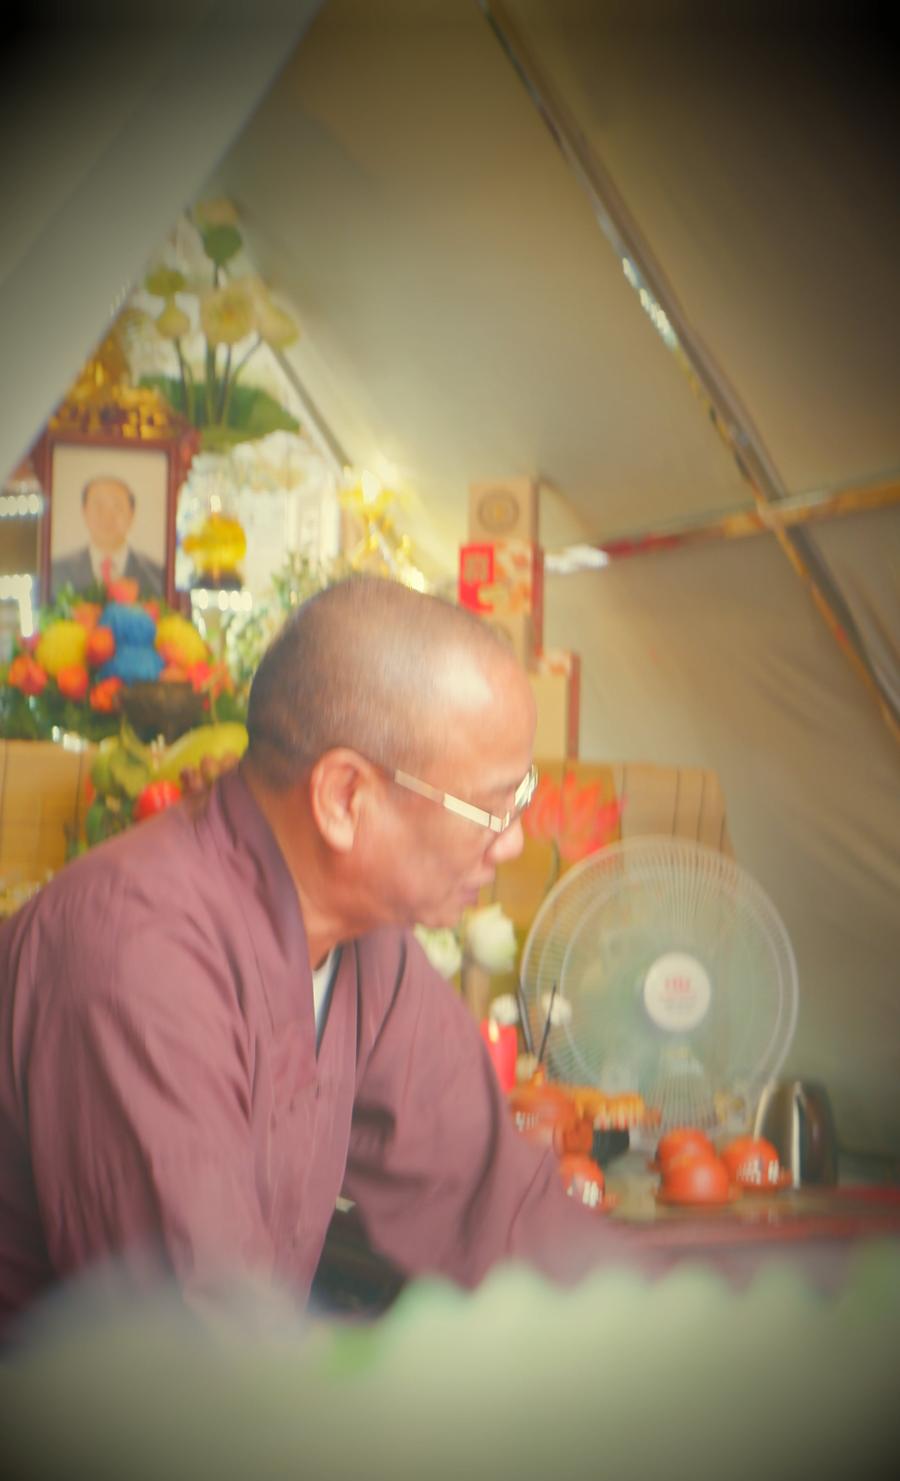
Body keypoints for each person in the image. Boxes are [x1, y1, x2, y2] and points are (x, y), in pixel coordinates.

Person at [0, 577, 743, 1334]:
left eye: (519, 802)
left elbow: (495, 1210)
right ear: (344, 797)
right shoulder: (138, 951)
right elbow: (199, 1334)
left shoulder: (370, 949)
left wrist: (690, 1338)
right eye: (492, 807)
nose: (513, 842)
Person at [51, 473, 165, 596]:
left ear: (132, 515)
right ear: (84, 512)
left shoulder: (157, 575)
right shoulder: (57, 571)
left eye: (117, 507)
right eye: (98, 507)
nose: (107, 517)